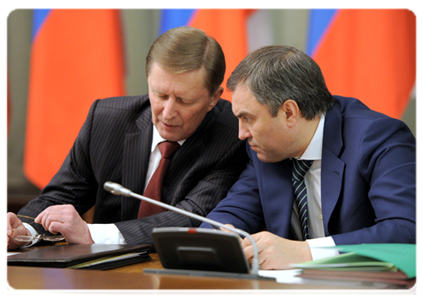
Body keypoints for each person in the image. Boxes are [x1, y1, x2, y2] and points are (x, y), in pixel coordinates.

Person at [5, 26, 248, 250]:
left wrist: (91, 234)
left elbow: (191, 217)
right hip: (103, 275)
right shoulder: (106, 119)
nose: (168, 112)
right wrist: (23, 230)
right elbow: (60, 196)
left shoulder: (232, 136)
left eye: (184, 100)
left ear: (214, 98)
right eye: (160, 94)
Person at [201, 45, 420, 270]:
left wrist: (305, 252)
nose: (241, 134)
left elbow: (409, 230)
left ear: (289, 113)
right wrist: (213, 240)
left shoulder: (378, 138)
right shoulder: (265, 150)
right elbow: (235, 211)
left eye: (247, 118)